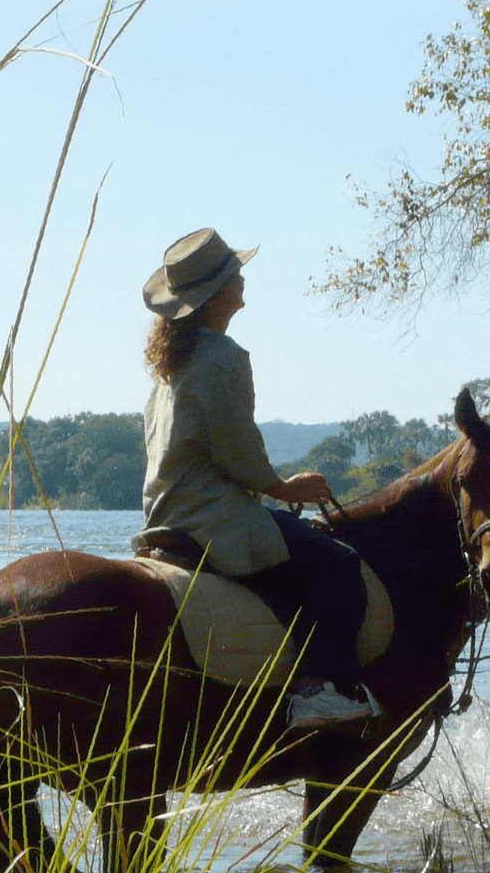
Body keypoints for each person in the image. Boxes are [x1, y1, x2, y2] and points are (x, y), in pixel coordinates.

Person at [138, 228, 377, 728]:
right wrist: (285, 489)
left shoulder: (171, 367)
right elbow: (236, 450)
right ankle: (318, 691)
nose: (242, 277)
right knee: (339, 565)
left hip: (166, 517)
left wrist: (273, 486)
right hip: (215, 520)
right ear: (217, 294)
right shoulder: (223, 357)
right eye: (233, 273)